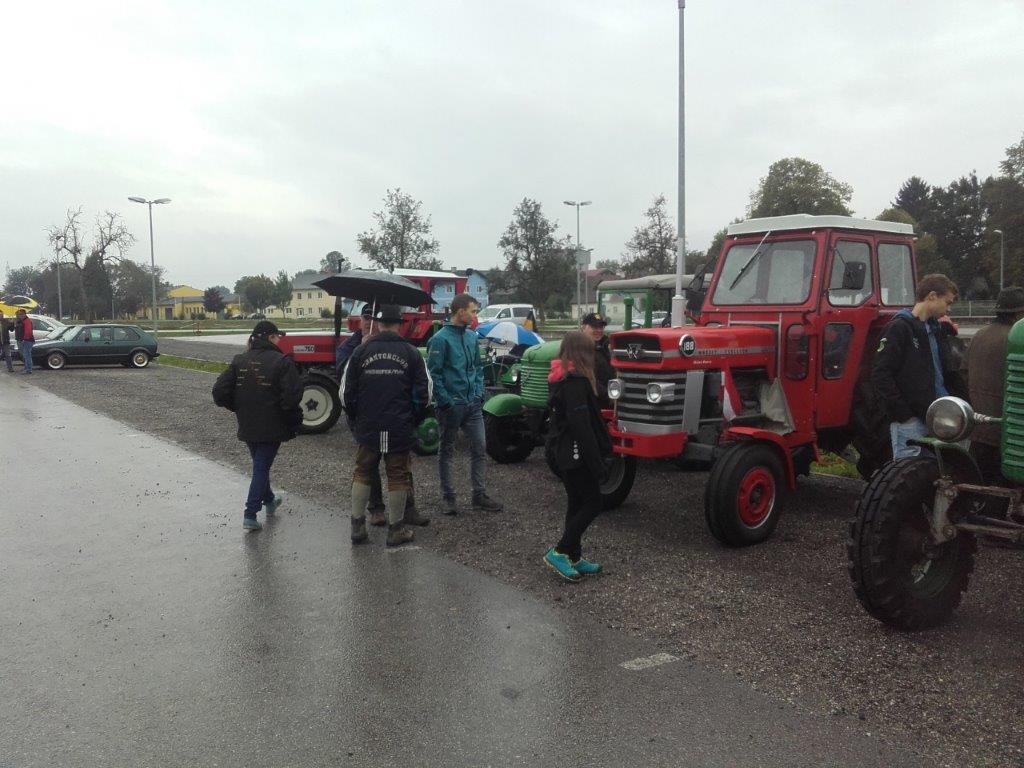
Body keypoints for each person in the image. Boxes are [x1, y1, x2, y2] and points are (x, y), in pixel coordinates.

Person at [343, 304, 431, 546]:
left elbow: (346, 393)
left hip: (368, 424)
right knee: (398, 475)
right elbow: (424, 394)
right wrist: (413, 418)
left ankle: (357, 526)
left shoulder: (360, 352)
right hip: (399, 424)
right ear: (399, 325)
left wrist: (356, 417)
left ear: (379, 324)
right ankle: (396, 529)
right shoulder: (412, 352)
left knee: (362, 471)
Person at [212, 320, 303, 531]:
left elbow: (219, 392)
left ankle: (270, 501)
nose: (280, 339)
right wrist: (293, 421)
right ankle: (250, 514)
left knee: (260, 465)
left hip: (247, 423)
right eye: (277, 336)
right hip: (273, 427)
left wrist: (237, 407)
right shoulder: (282, 362)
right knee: (260, 467)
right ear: (270, 337)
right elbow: (291, 397)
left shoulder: (239, 360)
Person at [871, 274, 968, 460]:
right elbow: (880, 374)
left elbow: (947, 371)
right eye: (947, 302)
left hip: (941, 417)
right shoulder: (898, 329)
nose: (948, 309)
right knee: (910, 474)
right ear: (932, 296)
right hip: (912, 420)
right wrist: (903, 414)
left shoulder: (936, 330)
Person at [544, 331, 613, 582]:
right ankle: (560, 550)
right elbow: (582, 428)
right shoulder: (575, 383)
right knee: (593, 503)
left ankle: (573, 555)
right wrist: (598, 464)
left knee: (576, 502)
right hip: (576, 454)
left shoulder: (562, 378)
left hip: (563, 452)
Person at [427, 293, 503, 514]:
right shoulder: (440, 339)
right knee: (446, 450)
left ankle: (478, 495)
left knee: (480, 448)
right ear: (460, 311)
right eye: (473, 310)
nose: (475, 315)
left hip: (472, 404)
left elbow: (478, 368)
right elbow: (434, 374)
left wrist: (479, 393)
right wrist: (446, 401)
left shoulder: (471, 337)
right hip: (452, 406)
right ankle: (448, 498)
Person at [966, 286, 1024, 481]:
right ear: (1019, 314)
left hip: (979, 428)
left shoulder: (979, 335)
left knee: (982, 489)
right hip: (1010, 437)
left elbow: (962, 372)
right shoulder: (1017, 340)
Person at [580, 312, 614, 406]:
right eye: (594, 327)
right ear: (583, 328)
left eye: (601, 327)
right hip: (595, 403)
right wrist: (610, 397)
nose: (599, 330)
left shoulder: (605, 346)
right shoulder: (580, 349)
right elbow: (590, 379)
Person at [14, 309, 34, 374]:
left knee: (27, 355)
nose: (19, 316)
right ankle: (27, 368)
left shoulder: (27, 321)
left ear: (24, 314)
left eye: (20, 314)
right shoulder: (23, 321)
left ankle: (28, 369)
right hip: (26, 340)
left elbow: (28, 331)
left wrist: (24, 339)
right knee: (26, 355)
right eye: (19, 315)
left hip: (27, 340)